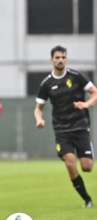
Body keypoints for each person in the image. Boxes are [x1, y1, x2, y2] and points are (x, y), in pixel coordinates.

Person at [34, 45, 97, 208]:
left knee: (87, 167)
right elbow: (38, 108)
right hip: (62, 130)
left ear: (66, 59)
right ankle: (87, 199)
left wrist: (86, 104)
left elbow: (94, 92)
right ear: (51, 60)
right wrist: (39, 119)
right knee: (69, 162)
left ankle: (87, 194)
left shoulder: (76, 76)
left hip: (81, 127)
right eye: (57, 57)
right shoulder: (47, 83)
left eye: (63, 57)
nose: (60, 60)